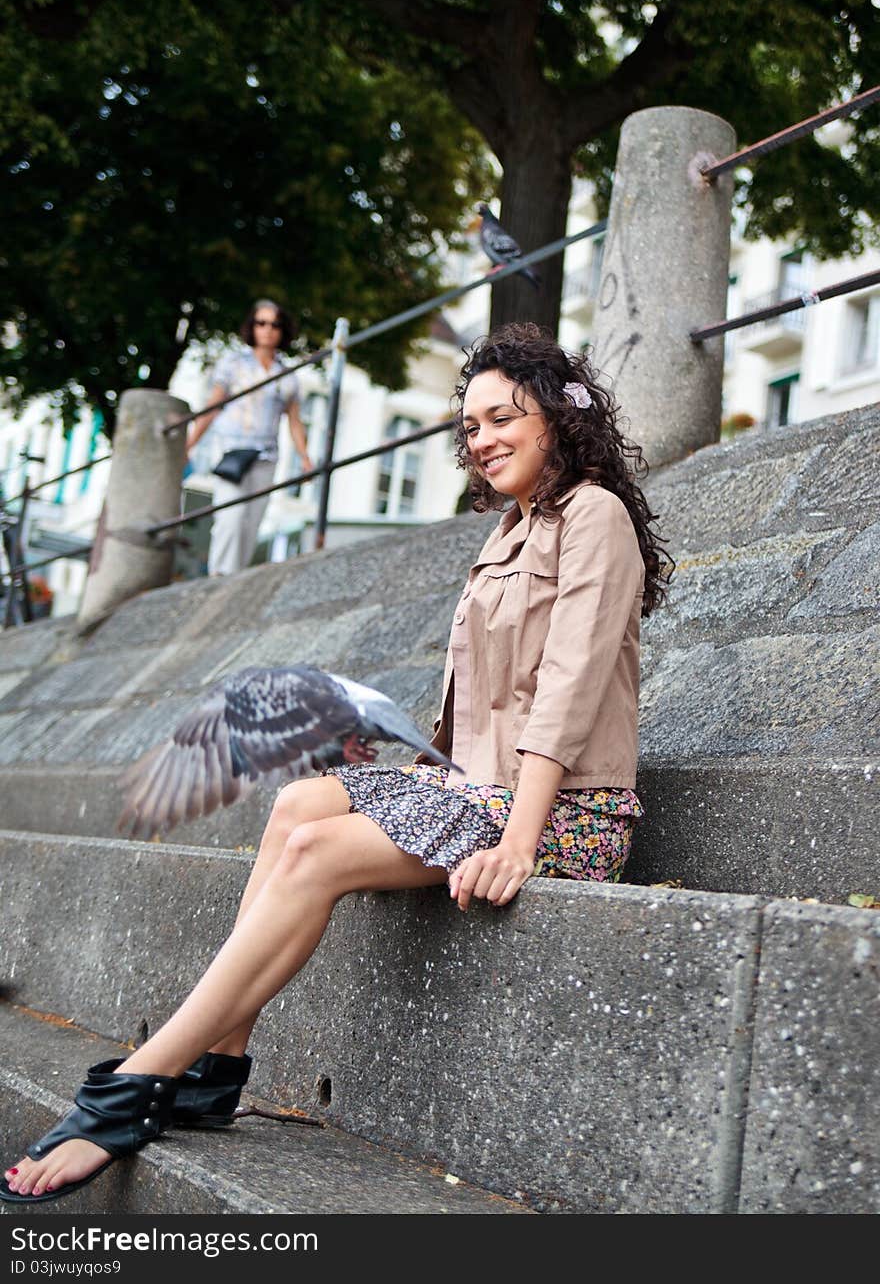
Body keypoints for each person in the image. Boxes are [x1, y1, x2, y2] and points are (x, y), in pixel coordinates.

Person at [1, 322, 672, 1204]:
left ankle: (135, 1085)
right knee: (299, 806)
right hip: (481, 787)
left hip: (563, 811)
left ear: (554, 417)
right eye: (470, 426)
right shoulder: (511, 529)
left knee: (317, 853)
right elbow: (476, 702)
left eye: (503, 417)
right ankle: (217, 1069)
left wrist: (517, 836)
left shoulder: (596, 515)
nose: (483, 439)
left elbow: (570, 687)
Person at [186, 299, 313, 575]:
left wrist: (304, 457)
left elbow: (294, 421)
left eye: (275, 324)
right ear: (252, 327)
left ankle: (234, 577)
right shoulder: (233, 364)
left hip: (265, 456)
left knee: (251, 521)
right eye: (262, 323)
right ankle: (219, 575)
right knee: (231, 518)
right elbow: (212, 406)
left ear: (283, 331)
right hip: (232, 450)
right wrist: (190, 443)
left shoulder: (286, 375)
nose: (268, 330)